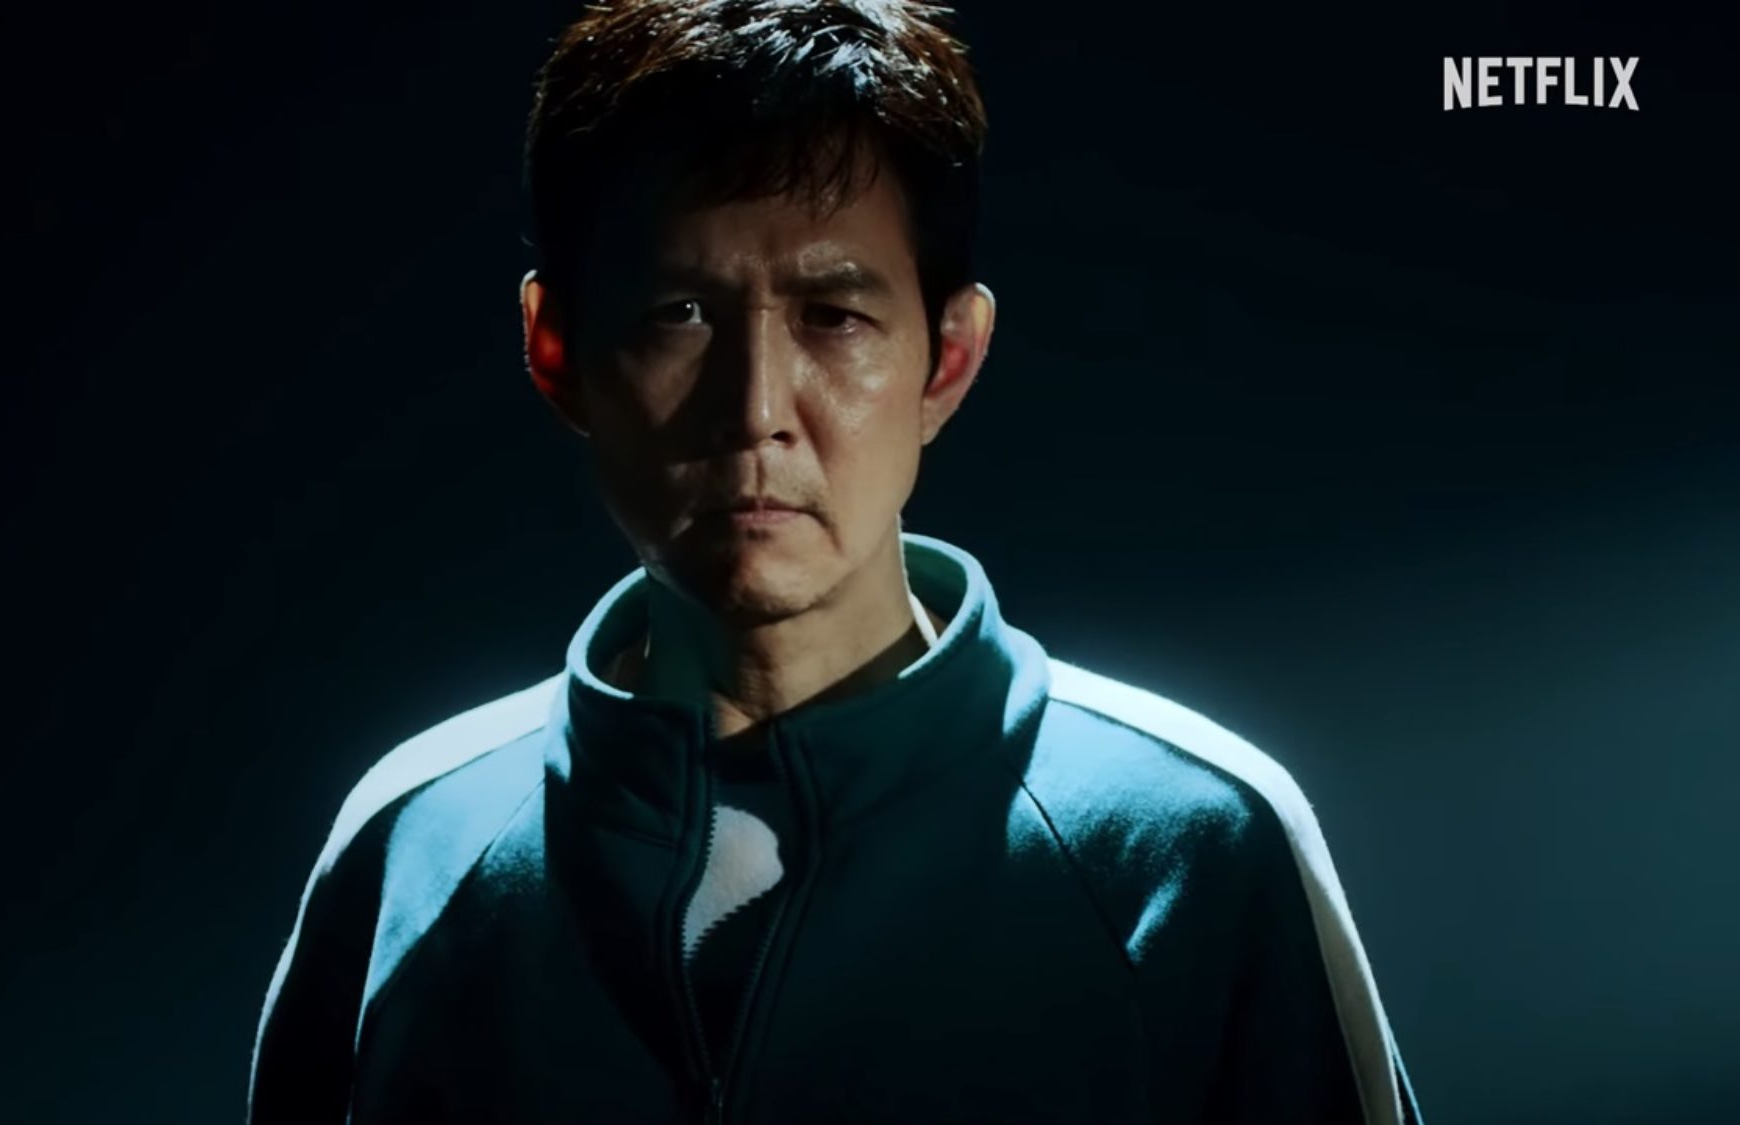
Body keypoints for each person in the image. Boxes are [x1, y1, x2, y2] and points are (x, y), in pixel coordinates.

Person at [247, 2, 1425, 1121]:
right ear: (555, 350)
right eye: (677, 312)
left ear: (947, 361)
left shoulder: (1188, 844)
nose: (756, 410)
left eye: (832, 315)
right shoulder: (413, 851)